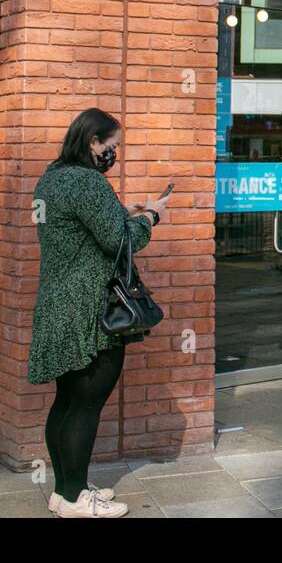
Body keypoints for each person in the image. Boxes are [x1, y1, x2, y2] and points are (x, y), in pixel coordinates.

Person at [29, 107, 170, 518]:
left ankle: (65, 489)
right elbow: (120, 243)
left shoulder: (52, 177)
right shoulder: (89, 183)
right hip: (91, 311)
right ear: (93, 143)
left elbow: (78, 224)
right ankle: (74, 499)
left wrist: (125, 211)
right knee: (87, 404)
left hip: (59, 304)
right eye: (113, 146)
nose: (115, 154)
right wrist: (152, 216)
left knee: (67, 400)